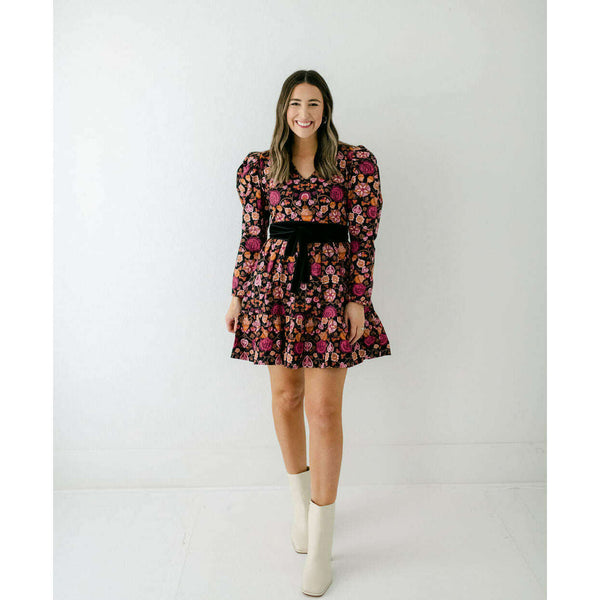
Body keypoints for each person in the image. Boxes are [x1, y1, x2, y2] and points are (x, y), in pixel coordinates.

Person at [224, 69, 391, 596]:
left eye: (314, 103)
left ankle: (321, 546)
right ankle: (300, 507)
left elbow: (364, 235)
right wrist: (238, 292)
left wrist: (358, 296)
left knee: (323, 411)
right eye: (296, 103)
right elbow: (253, 234)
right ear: (283, 108)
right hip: (273, 290)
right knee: (285, 398)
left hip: (331, 292)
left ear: (326, 108)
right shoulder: (259, 167)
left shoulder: (355, 163)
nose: (304, 113)